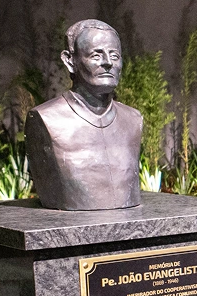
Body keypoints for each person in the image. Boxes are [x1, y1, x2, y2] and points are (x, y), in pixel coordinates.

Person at [26, 19, 142, 211]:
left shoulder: (133, 119)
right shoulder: (47, 118)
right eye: (96, 55)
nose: (108, 63)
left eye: (114, 55)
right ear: (70, 61)